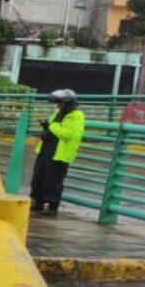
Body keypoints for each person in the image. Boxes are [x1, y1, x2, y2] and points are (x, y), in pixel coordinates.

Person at [31, 89, 85, 217]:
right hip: (46, 148)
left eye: (60, 103)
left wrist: (51, 126)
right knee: (38, 177)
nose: (58, 106)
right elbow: (52, 127)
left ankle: (52, 206)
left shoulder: (77, 116)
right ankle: (38, 202)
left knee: (53, 180)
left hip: (60, 152)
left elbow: (68, 134)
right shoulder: (58, 112)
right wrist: (47, 127)